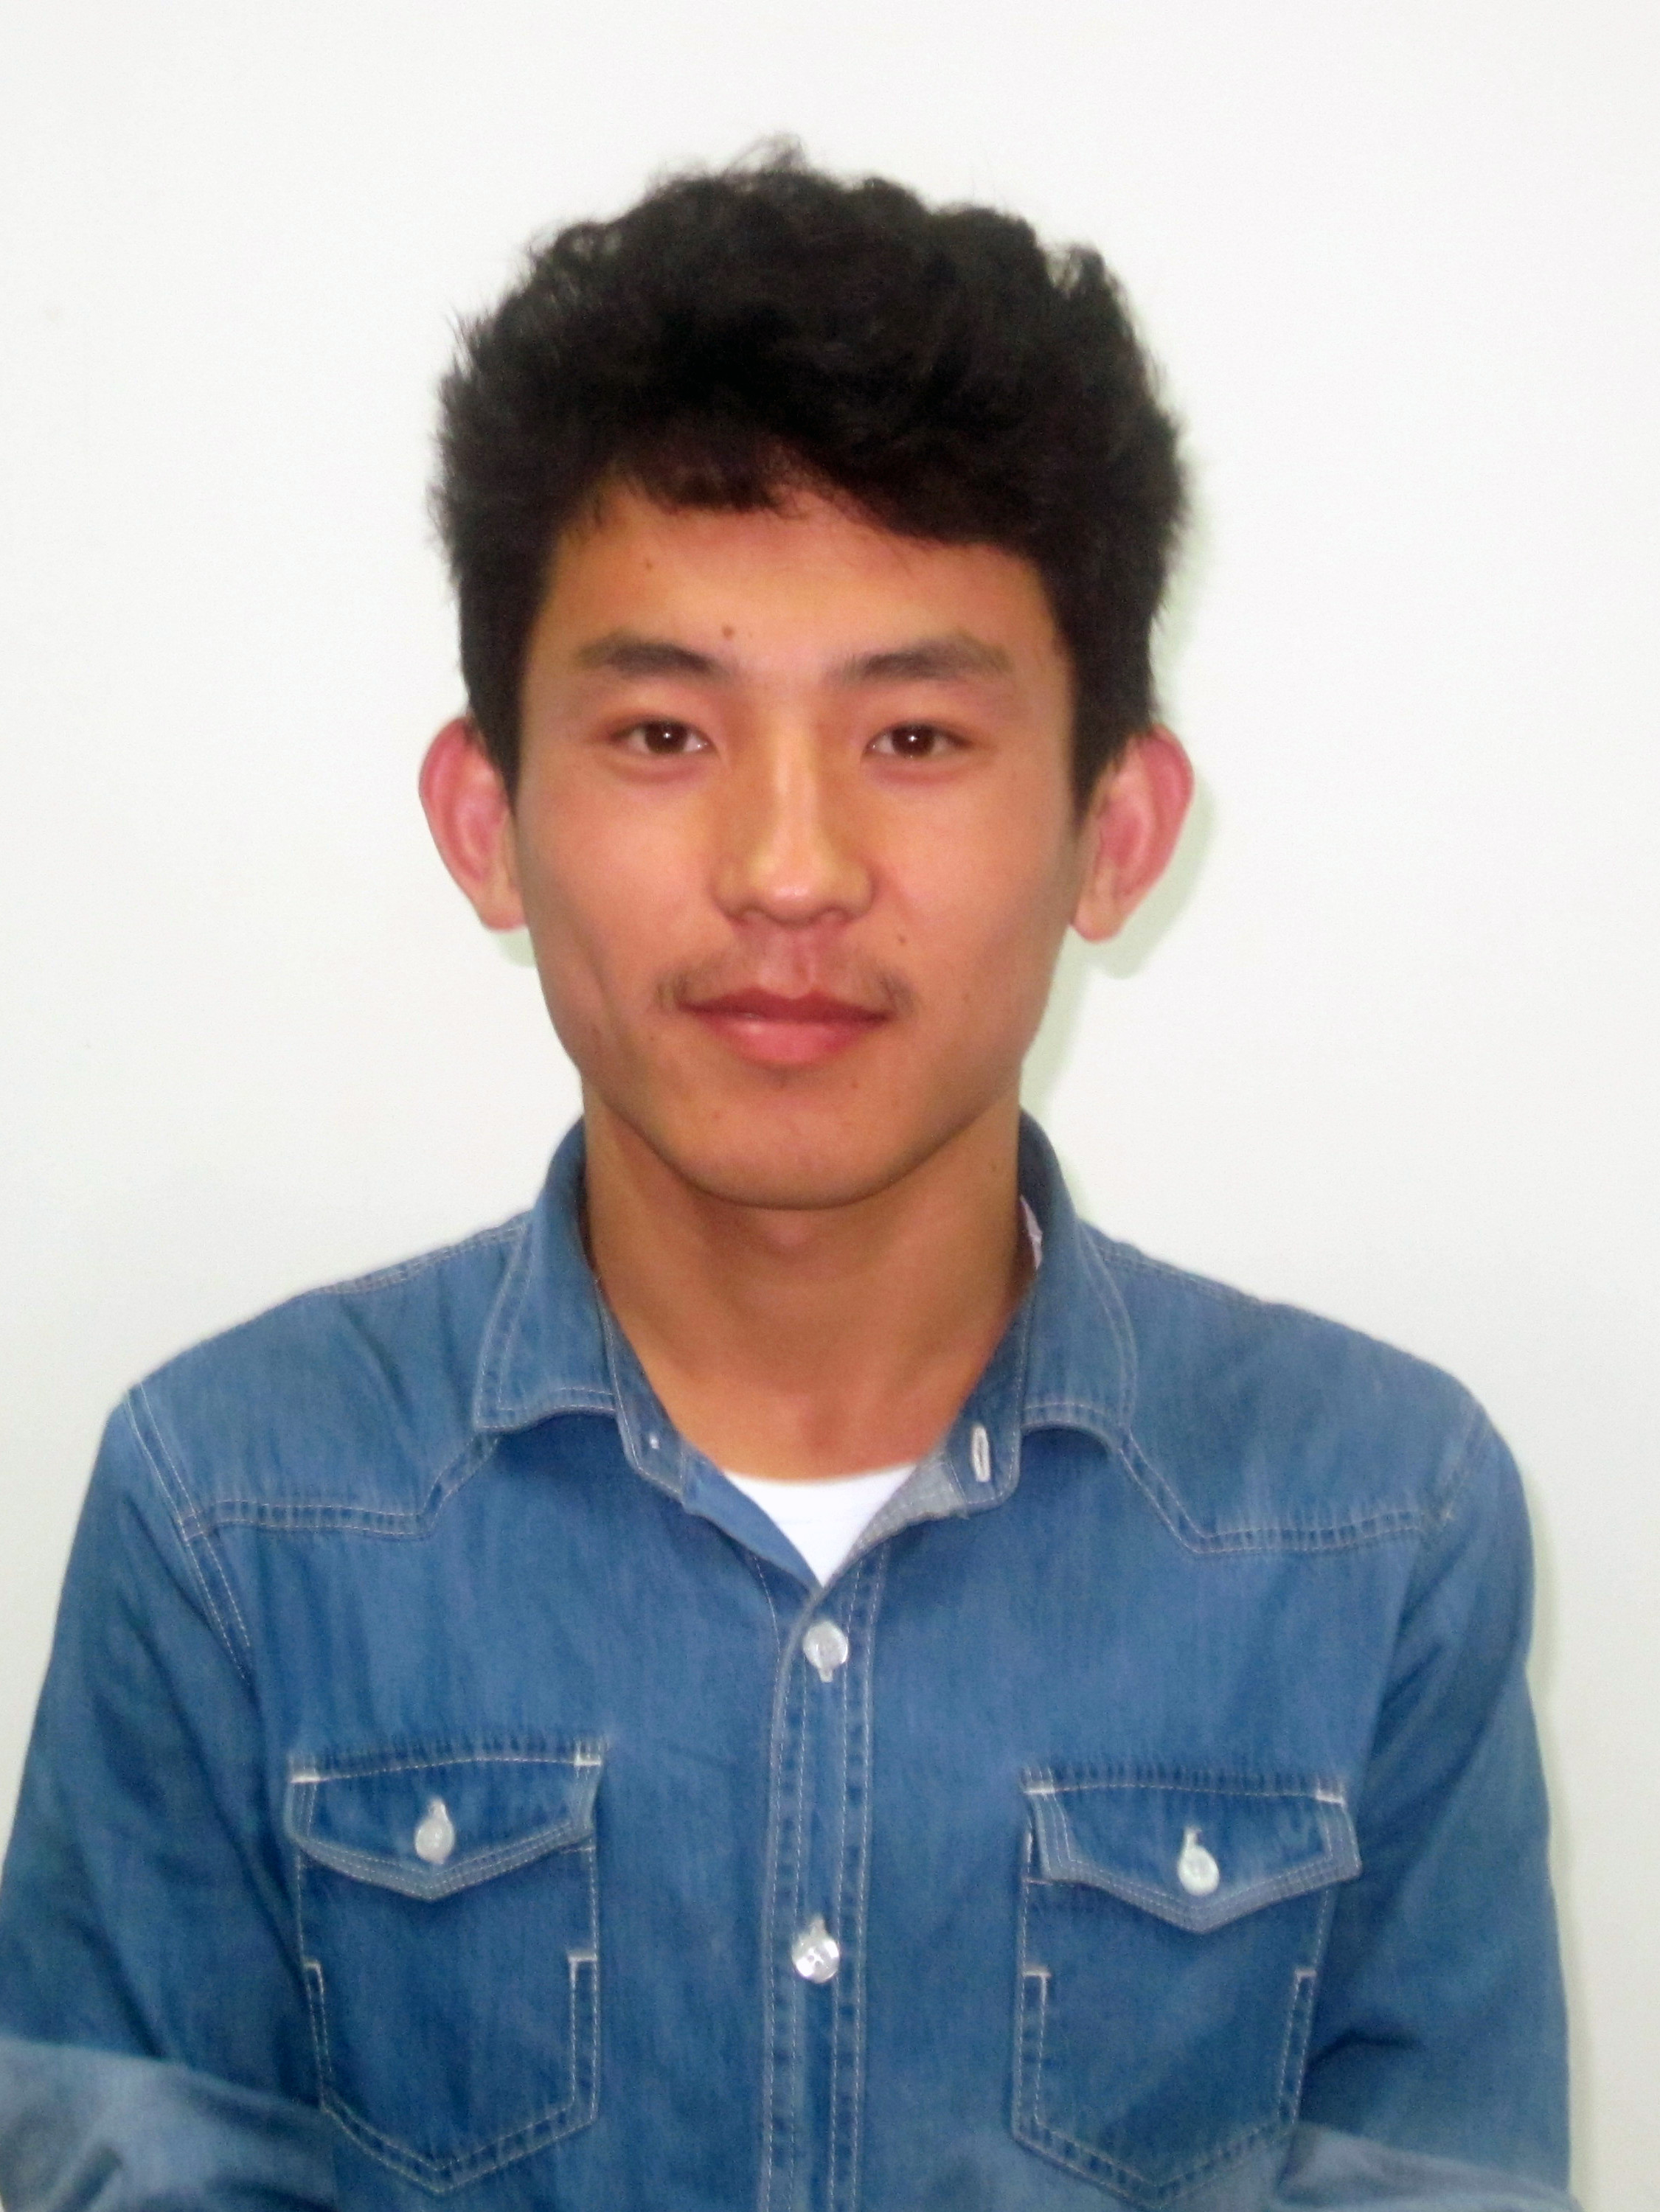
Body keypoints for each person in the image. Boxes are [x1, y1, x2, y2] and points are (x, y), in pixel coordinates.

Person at [0, 151, 1573, 2212]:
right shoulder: (231, 1508)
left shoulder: (1376, 1521)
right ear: (487, 821)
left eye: (914, 738)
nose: (791, 872)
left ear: (1113, 831)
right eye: (666, 734)